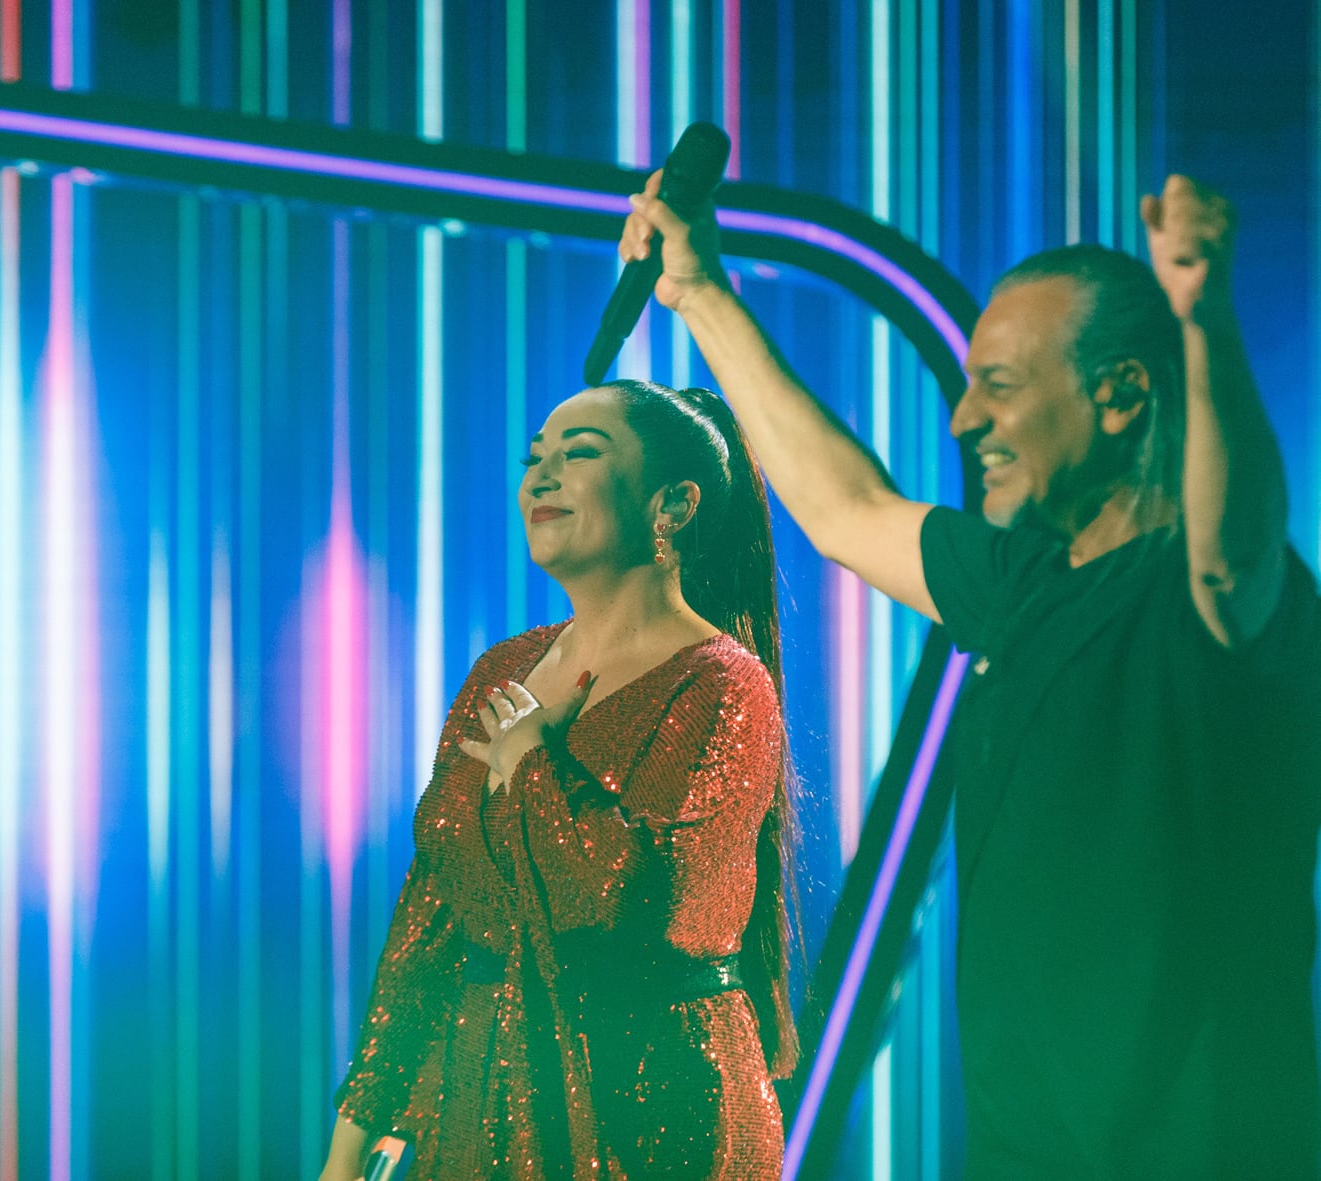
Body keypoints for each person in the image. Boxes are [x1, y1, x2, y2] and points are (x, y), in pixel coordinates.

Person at [622, 173, 1321, 1176]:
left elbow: (1232, 542)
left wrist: (1200, 320)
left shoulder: (1209, 600)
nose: (961, 420)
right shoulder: (1025, 582)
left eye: (998, 384)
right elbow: (843, 508)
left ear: (1120, 393)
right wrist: (695, 291)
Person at [320, 379, 802, 1180]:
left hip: (653, 1108)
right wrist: (354, 1136)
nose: (540, 477)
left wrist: (533, 765)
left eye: (578, 455)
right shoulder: (502, 670)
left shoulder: (723, 685)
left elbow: (631, 899)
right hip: (481, 1099)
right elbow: (430, 920)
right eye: (533, 458)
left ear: (673, 505)